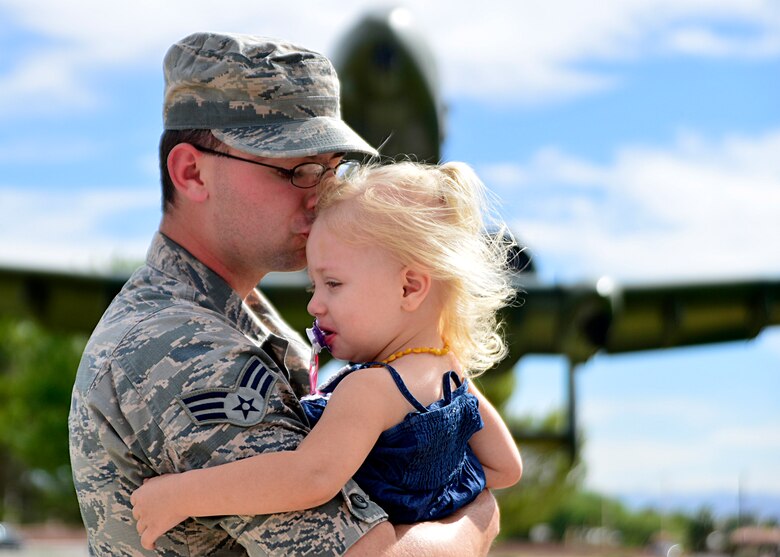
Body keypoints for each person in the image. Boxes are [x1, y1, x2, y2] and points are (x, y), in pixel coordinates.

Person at [68, 31, 501, 556]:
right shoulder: (178, 345)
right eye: (295, 170)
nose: (322, 198)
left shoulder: (243, 311)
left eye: (331, 170)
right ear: (191, 172)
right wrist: (479, 518)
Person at [130, 160, 523, 550]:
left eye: (333, 283)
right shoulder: (452, 378)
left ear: (409, 288)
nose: (316, 305)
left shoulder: (372, 389)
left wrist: (182, 495)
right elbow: (505, 467)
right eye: (313, 287)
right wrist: (444, 511)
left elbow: (309, 478)